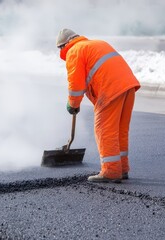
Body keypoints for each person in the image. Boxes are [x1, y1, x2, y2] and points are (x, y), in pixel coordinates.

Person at [56, 29, 140, 183]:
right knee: (119, 130)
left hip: (110, 89)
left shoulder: (74, 51)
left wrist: (73, 104)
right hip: (128, 86)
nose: (61, 52)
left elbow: (75, 84)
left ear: (65, 44)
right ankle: (122, 168)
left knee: (104, 129)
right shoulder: (96, 44)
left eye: (60, 48)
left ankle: (111, 171)